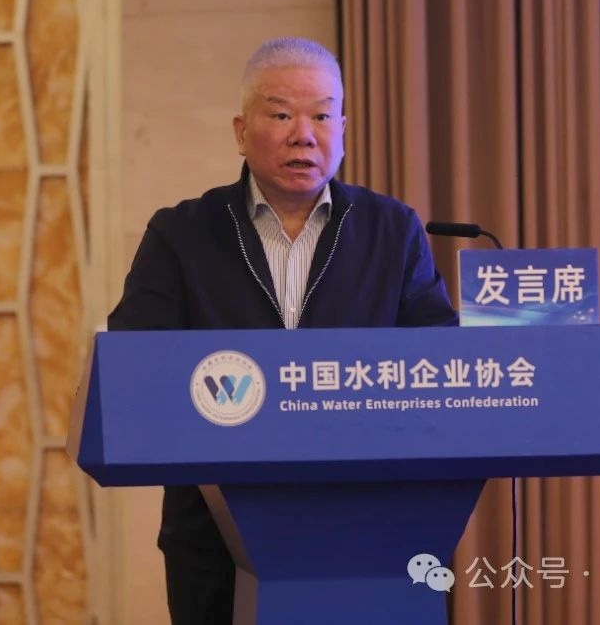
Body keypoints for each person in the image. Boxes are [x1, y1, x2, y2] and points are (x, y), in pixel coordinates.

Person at [107, 37, 457, 625]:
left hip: (369, 529)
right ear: (241, 132)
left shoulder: (391, 230)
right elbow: (133, 366)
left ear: (343, 129)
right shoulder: (183, 234)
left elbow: (441, 364)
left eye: (321, 115)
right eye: (281, 115)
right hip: (217, 539)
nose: (304, 135)